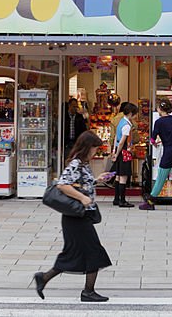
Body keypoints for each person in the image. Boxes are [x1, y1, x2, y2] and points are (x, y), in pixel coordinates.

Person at [33, 130, 114, 303]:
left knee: (75, 252)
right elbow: (62, 184)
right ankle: (88, 292)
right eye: (94, 149)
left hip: (79, 216)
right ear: (87, 147)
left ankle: (44, 278)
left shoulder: (82, 163)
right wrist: (82, 198)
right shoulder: (76, 163)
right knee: (93, 251)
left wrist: (96, 180)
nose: (95, 153)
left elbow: (80, 184)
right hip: (76, 216)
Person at [139, 99, 172, 212]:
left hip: (169, 152)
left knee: (161, 177)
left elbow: (152, 139)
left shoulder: (158, 122)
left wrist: (155, 142)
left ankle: (151, 201)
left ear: (160, 110)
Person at [110, 102, 138, 208]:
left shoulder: (121, 121)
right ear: (130, 114)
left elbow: (117, 137)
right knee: (123, 176)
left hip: (118, 149)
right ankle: (122, 200)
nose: (136, 116)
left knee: (118, 176)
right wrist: (117, 154)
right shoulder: (127, 125)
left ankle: (116, 199)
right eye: (135, 114)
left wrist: (114, 151)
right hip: (124, 151)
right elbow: (122, 141)